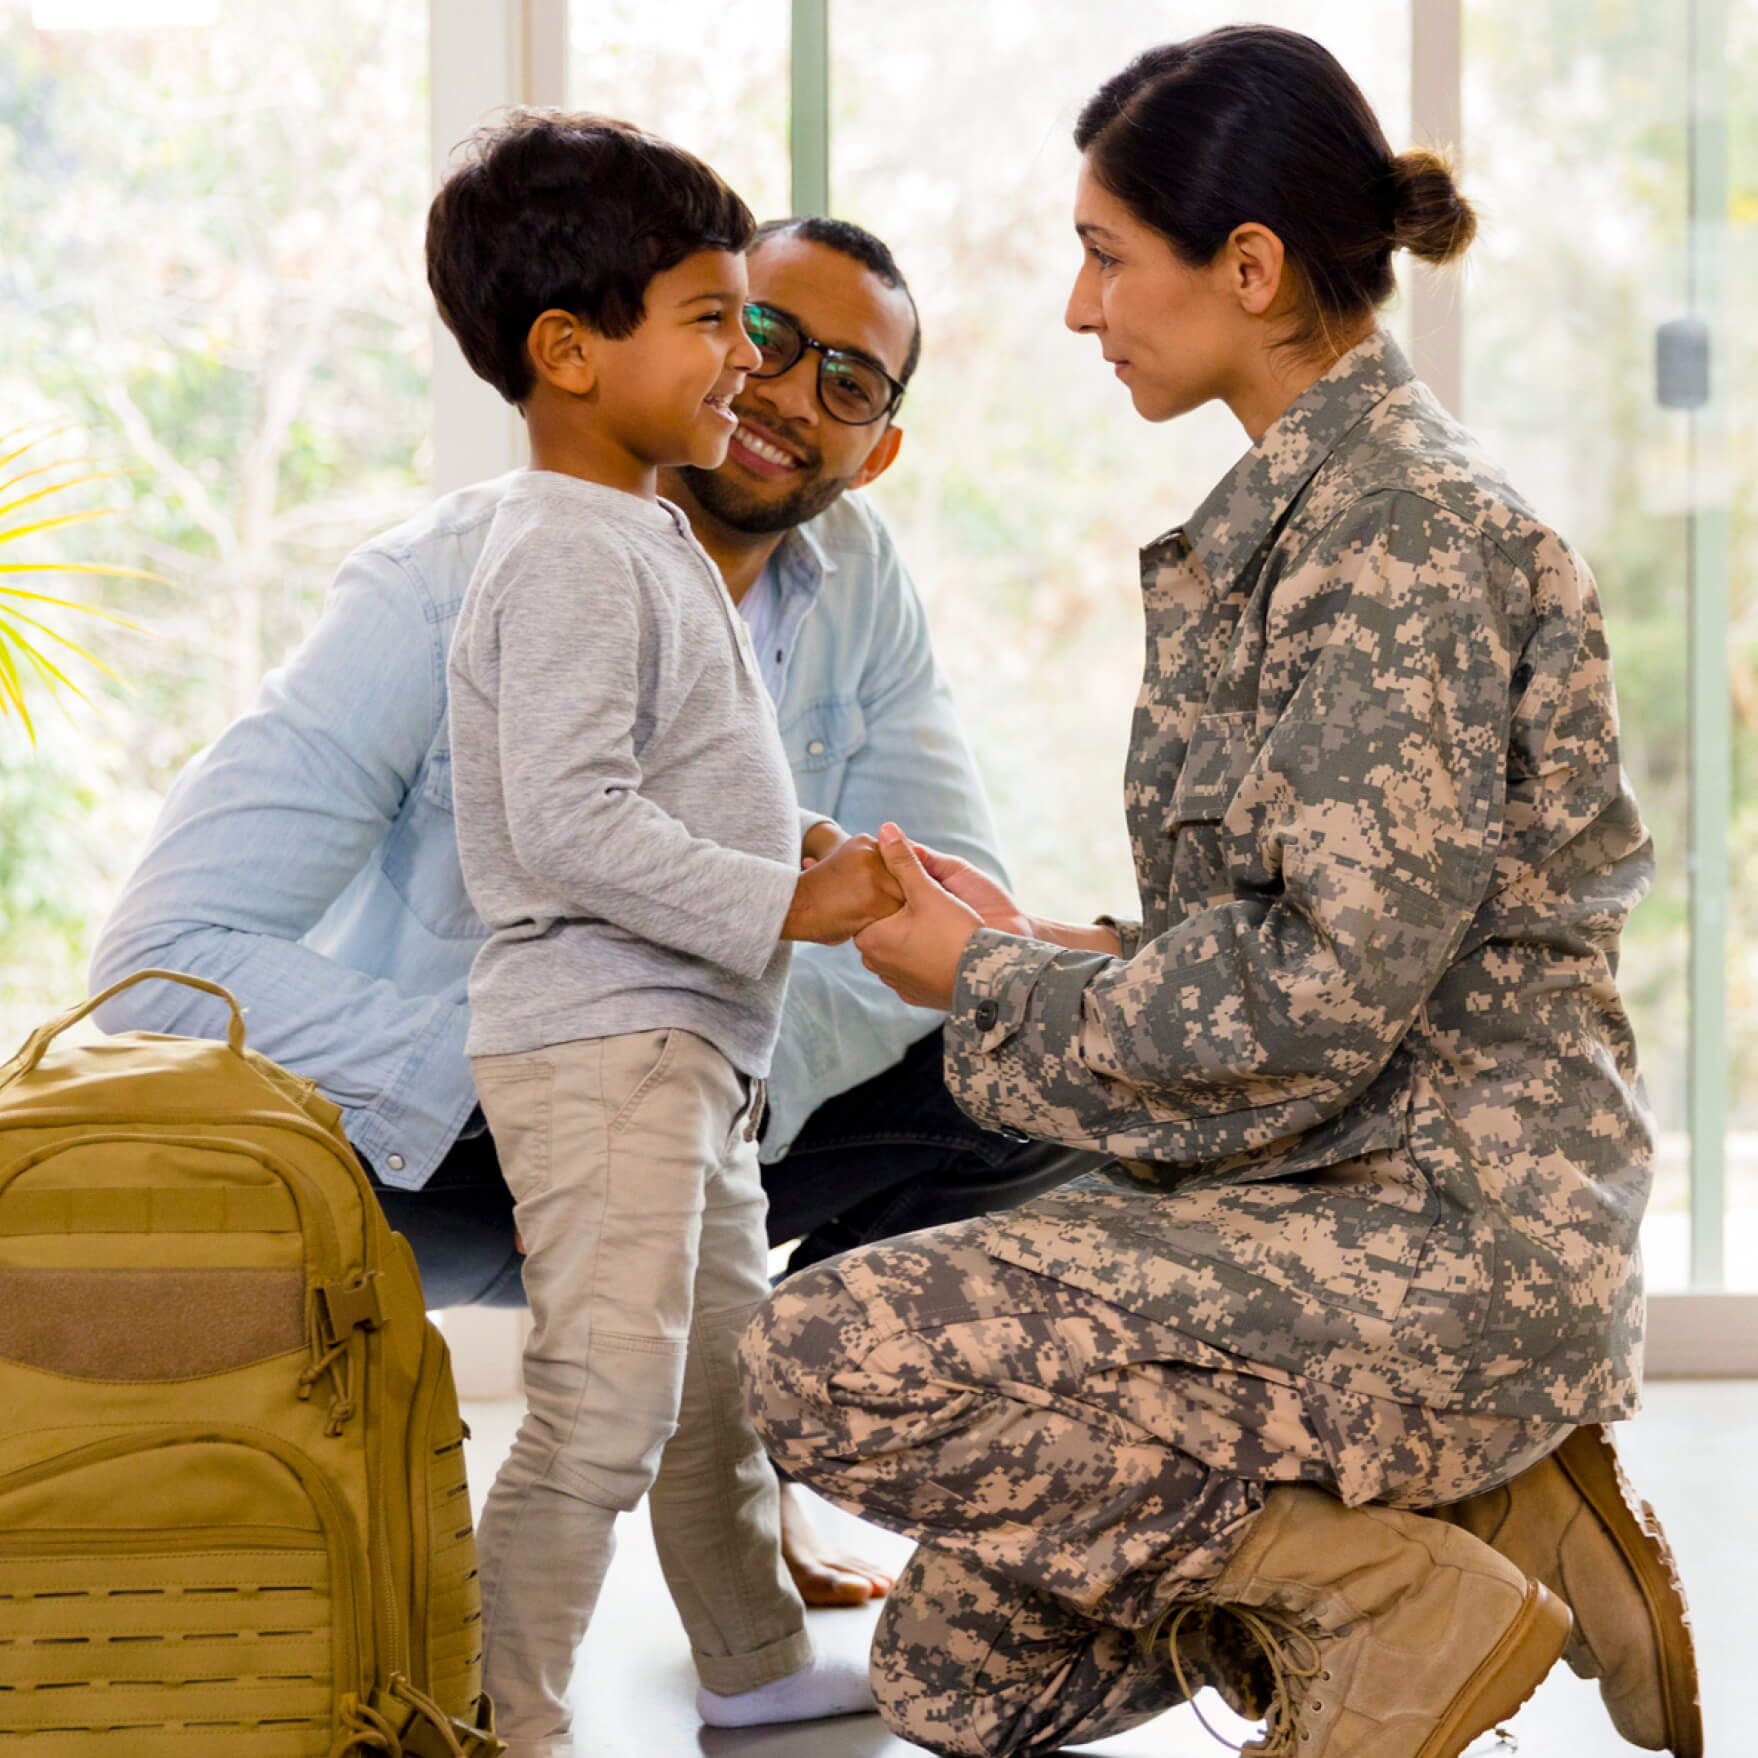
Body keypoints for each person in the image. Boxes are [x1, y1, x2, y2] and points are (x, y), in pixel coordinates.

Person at [740, 27, 1701, 1758]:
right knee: (959, 1682)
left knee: (818, 1359)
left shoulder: (1401, 538)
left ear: (1247, 269)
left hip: (1438, 1229)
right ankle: (1486, 1529)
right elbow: (1299, 936)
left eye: (1107, 257)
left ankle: (1390, 1591)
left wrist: (984, 979)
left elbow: (1317, 992)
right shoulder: (1301, 519)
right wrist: (1035, 944)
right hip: (1308, 1193)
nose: (1077, 308)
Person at [88, 219, 1092, 1604]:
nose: (791, 393)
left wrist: (681, 1113)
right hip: (432, 1147)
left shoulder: (857, 585)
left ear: (880, 446)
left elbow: (938, 933)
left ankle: (787, 1425)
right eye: (762, 335)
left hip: (706, 1142)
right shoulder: (439, 579)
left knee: (1046, 1057)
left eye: (848, 383)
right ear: (684, 336)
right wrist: (550, 1092)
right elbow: (154, 964)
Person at [424, 113, 903, 1752]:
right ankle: (500, 1716)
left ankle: (753, 1661)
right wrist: (785, 899)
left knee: (720, 1396)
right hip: (606, 1046)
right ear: (568, 352)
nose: (744, 362)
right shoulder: (566, 547)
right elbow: (565, 820)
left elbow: (665, 779)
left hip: (683, 1045)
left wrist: (806, 844)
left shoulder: (632, 531)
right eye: (711, 322)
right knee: (605, 1413)